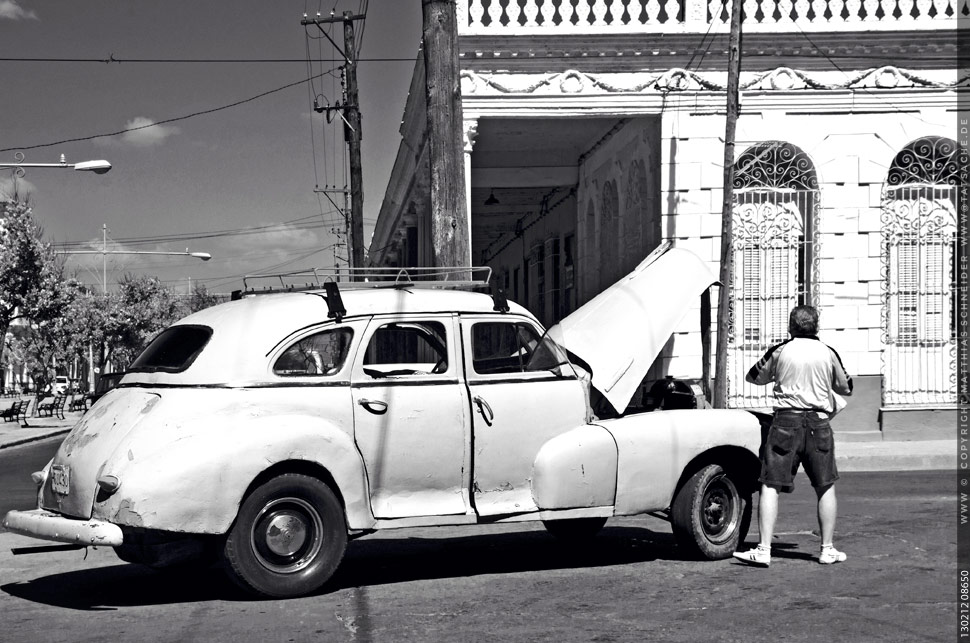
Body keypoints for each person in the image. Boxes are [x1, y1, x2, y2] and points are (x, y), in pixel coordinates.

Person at [733, 305, 853, 567]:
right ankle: (827, 549)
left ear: (790, 326)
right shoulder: (828, 352)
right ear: (816, 326)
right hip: (819, 424)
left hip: (785, 422)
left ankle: (764, 549)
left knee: (770, 485)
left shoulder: (780, 350)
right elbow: (846, 386)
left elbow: (753, 376)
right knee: (825, 486)